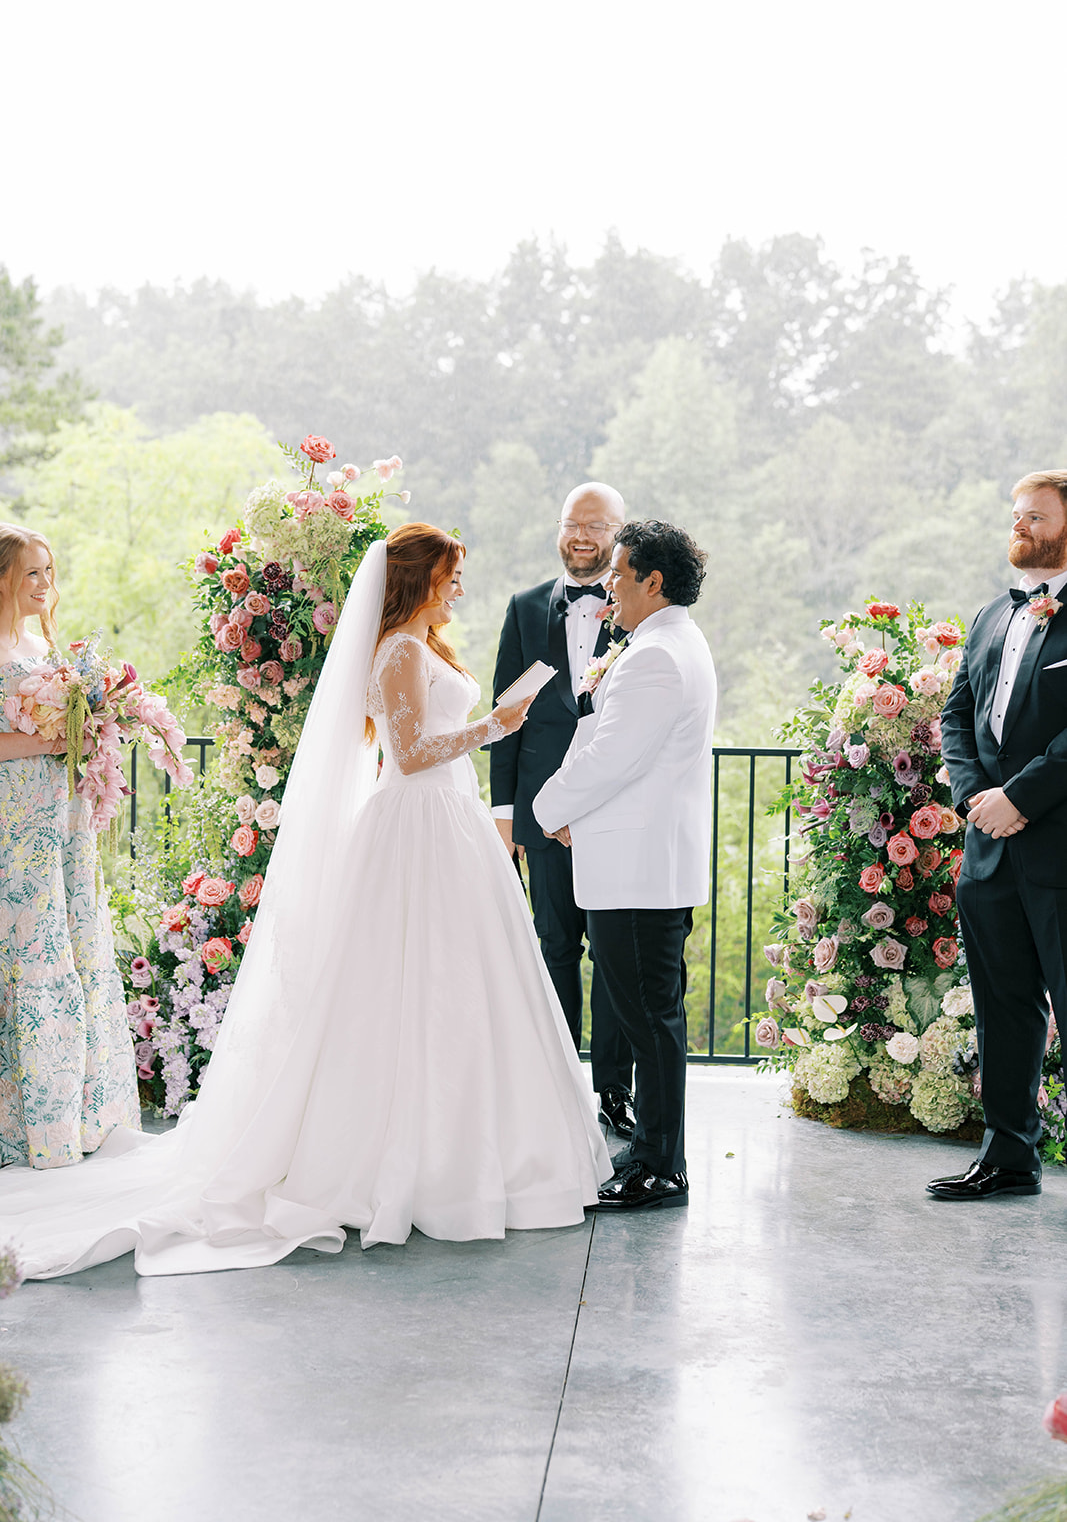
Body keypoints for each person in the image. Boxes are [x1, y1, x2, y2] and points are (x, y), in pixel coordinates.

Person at [0, 525, 610, 1276]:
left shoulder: (423, 646)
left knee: (461, 985)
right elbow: (410, 754)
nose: (459, 587)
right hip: (417, 825)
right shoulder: (397, 652)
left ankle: (474, 1151)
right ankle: (408, 1160)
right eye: (450, 575)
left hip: (450, 822)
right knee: (409, 986)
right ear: (418, 580)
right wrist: (494, 726)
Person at [533, 521, 716, 1212]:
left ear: (653, 581)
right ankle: (656, 1157)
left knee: (649, 1023)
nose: (608, 584)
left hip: (637, 869)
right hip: (642, 864)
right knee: (653, 1018)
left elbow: (613, 757)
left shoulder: (654, 656)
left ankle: (658, 1167)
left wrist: (548, 808)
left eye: (618, 572)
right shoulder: (668, 643)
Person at [931, 472, 1067, 1201]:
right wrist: (974, 800)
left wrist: (1020, 798)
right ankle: (1008, 1156)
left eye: (1036, 517)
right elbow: (956, 716)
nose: (1020, 525)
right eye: (1017, 515)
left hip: (1058, 848)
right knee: (1003, 1009)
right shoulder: (991, 614)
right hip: (988, 853)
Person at [491, 483, 636, 1139]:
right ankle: (554, 1086)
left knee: (612, 954)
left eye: (596, 526)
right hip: (540, 815)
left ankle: (614, 1091)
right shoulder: (525, 609)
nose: (581, 536)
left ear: (618, 533)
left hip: (611, 813)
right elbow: (506, 717)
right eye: (572, 523)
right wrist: (505, 815)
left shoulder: (637, 609)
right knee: (553, 948)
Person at [0, 524, 140, 1169]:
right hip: (14, 817)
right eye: (32, 572)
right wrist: (49, 740)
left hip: (61, 815)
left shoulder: (44, 644)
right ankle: (23, 1123)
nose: (45, 583)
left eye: (48, 571)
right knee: (27, 943)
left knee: (69, 937)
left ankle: (73, 1115)